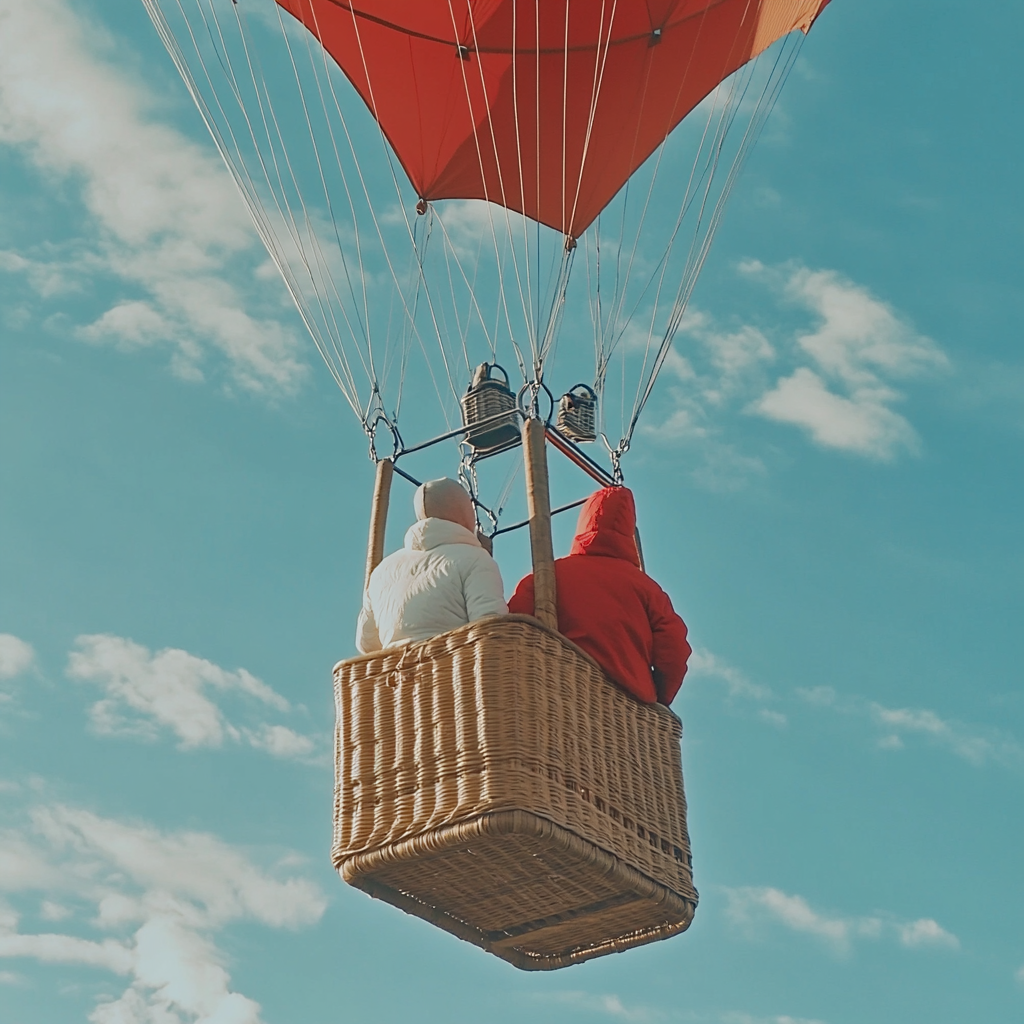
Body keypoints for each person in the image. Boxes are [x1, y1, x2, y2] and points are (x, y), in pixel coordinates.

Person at [507, 486, 690, 705]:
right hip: (629, 705)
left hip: (559, 691)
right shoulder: (648, 589)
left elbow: (515, 625)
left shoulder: (548, 574)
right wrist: (659, 698)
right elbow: (675, 651)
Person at [356, 477, 508, 653]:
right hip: (457, 672)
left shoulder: (381, 571)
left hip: (398, 677)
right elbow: (491, 628)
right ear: (466, 514)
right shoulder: (475, 559)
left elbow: (366, 643)